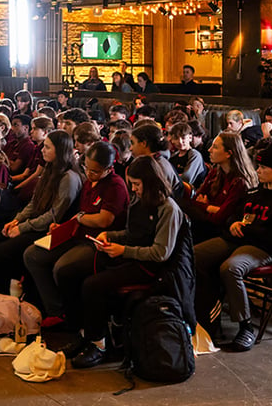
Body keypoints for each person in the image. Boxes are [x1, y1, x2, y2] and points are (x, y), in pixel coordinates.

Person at [72, 156, 196, 368]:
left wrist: (123, 250)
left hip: (153, 269)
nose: (134, 189)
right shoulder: (139, 201)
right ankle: (91, 334)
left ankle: (98, 345)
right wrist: (110, 237)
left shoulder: (169, 209)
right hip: (134, 257)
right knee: (78, 273)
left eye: (137, 185)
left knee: (92, 285)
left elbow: (160, 253)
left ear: (149, 182)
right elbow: (131, 233)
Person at [194, 139, 272, 351]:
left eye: (263, 167)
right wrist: (233, 223)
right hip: (237, 238)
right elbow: (232, 215)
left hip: (264, 247)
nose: (258, 170)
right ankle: (206, 310)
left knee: (230, 268)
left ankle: (245, 327)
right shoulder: (256, 193)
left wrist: (247, 230)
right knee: (193, 255)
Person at [23, 142, 129, 326]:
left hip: (97, 242)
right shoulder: (89, 182)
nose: (89, 173)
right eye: (86, 167)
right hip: (77, 234)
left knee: (62, 268)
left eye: (95, 171)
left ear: (108, 169)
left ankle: (71, 318)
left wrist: (79, 218)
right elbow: (82, 213)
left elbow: (104, 220)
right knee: (32, 255)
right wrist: (63, 226)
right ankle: (54, 308)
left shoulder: (115, 186)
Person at [0, 130, 83, 293]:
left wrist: (22, 227)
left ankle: (5, 292)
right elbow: (34, 202)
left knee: (3, 250)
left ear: (60, 150)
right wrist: (17, 220)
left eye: (47, 147)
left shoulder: (68, 177)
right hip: (35, 221)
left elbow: (54, 214)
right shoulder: (50, 168)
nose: (42, 150)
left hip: (50, 229)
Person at [180, 132, 257, 241]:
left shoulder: (240, 182)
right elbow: (194, 200)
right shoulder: (215, 172)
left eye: (215, 147)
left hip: (222, 231)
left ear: (228, 153)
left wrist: (206, 205)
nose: (209, 150)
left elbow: (220, 218)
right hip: (204, 223)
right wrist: (212, 208)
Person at [168, 122, 205, 186]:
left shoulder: (194, 155)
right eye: (176, 138)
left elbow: (186, 178)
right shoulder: (173, 156)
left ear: (190, 138)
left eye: (183, 138)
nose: (180, 142)